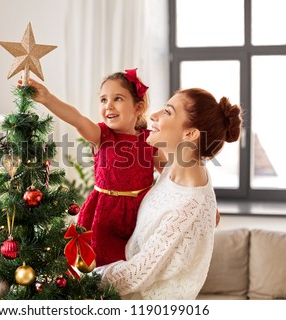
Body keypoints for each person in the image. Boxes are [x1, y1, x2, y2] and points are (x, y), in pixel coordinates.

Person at [94, 87, 242, 299]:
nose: (153, 116)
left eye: (168, 112)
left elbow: (137, 273)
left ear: (190, 134)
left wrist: (80, 279)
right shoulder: (177, 167)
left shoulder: (188, 204)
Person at [20, 69, 165, 266]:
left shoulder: (150, 140)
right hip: (103, 216)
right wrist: (48, 99)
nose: (109, 106)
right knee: (100, 267)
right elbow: (77, 119)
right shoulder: (102, 135)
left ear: (138, 107)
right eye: (103, 100)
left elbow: (170, 179)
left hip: (140, 215)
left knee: (134, 266)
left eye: (118, 99)